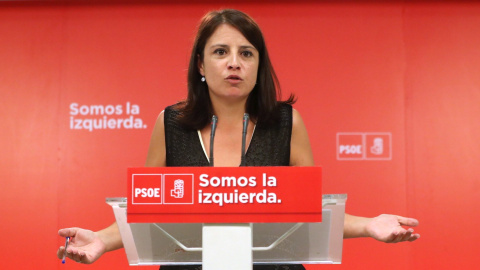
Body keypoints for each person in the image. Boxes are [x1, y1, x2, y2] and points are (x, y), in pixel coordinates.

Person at [57, 9, 420, 268]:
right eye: (221, 52)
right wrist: (102, 240)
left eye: (246, 53)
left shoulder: (285, 123)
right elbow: (149, 213)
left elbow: (312, 215)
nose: (234, 63)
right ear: (200, 65)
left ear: (258, 65)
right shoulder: (170, 124)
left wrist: (370, 225)